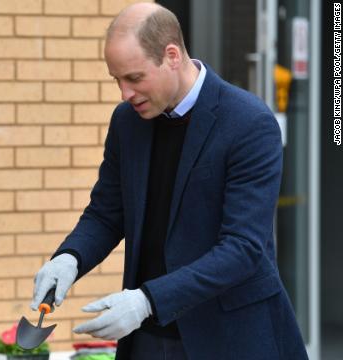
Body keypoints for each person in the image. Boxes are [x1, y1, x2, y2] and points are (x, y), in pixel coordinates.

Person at [30, 3, 307, 359]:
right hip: (148, 338)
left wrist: (147, 301)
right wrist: (69, 257)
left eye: (134, 78)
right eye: (116, 79)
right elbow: (106, 213)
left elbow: (243, 249)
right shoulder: (127, 122)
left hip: (230, 337)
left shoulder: (249, 123)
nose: (124, 94)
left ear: (172, 55)